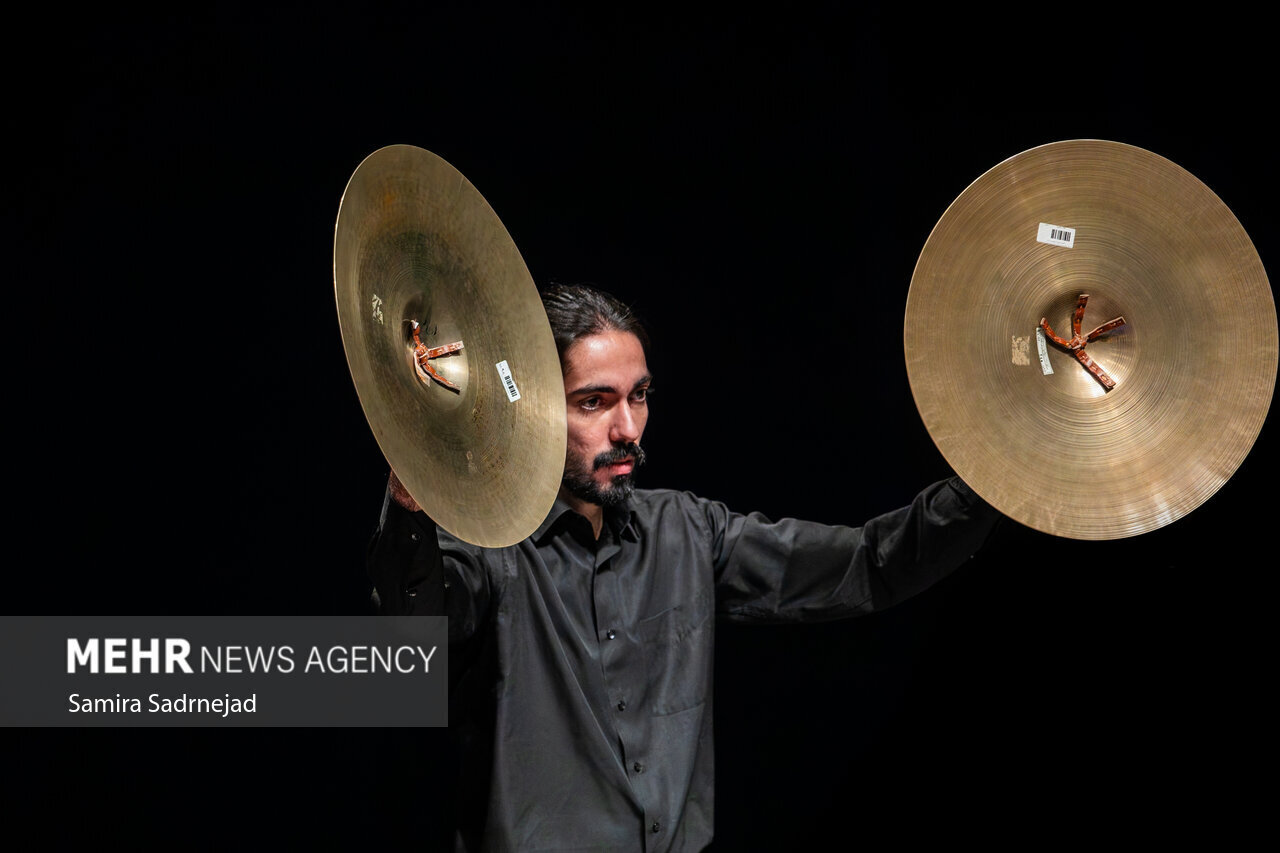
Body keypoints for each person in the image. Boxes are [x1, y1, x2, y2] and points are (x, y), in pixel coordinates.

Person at [367, 284, 1001, 852]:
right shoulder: (490, 548)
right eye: (593, 403)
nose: (627, 428)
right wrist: (410, 501)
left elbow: (871, 564)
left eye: (638, 397)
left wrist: (1006, 455)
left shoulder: (689, 531)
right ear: (530, 408)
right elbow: (407, 652)